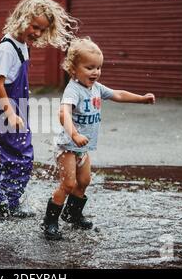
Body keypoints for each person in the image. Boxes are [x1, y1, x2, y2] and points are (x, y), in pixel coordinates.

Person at [42, 37, 156, 239]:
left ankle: (72, 214)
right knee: (68, 185)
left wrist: (141, 99)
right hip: (67, 146)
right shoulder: (73, 90)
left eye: (98, 67)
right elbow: (63, 113)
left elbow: (118, 94)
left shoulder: (95, 88)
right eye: (89, 67)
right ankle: (49, 222)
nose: (95, 72)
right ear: (73, 69)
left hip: (82, 148)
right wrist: (74, 134)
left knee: (84, 181)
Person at [0, 0, 78, 218]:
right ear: (21, 18)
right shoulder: (7, 49)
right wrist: (9, 113)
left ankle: (4, 200)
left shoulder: (22, 45)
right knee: (22, 158)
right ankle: (5, 204)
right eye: (34, 26)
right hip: (5, 112)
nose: (37, 33)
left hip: (16, 111)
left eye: (42, 30)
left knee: (14, 157)